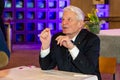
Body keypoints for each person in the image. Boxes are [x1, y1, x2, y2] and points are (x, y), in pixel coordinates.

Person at [39, 5, 101, 80]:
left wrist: (72, 48)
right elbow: (46, 67)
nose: (64, 23)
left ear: (80, 24)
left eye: (69, 20)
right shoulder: (57, 37)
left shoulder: (91, 39)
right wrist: (45, 46)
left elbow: (88, 69)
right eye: (63, 19)